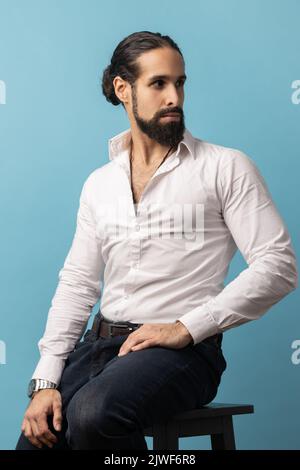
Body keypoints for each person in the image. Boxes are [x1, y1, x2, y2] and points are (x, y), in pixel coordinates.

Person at [16, 31, 297, 450]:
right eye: (159, 83)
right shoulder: (99, 184)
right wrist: (45, 380)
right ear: (122, 89)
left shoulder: (226, 168)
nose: (174, 97)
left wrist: (186, 328)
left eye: (180, 83)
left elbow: (278, 265)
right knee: (39, 436)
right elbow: (77, 283)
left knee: (92, 414)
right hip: (100, 347)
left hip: (183, 354)